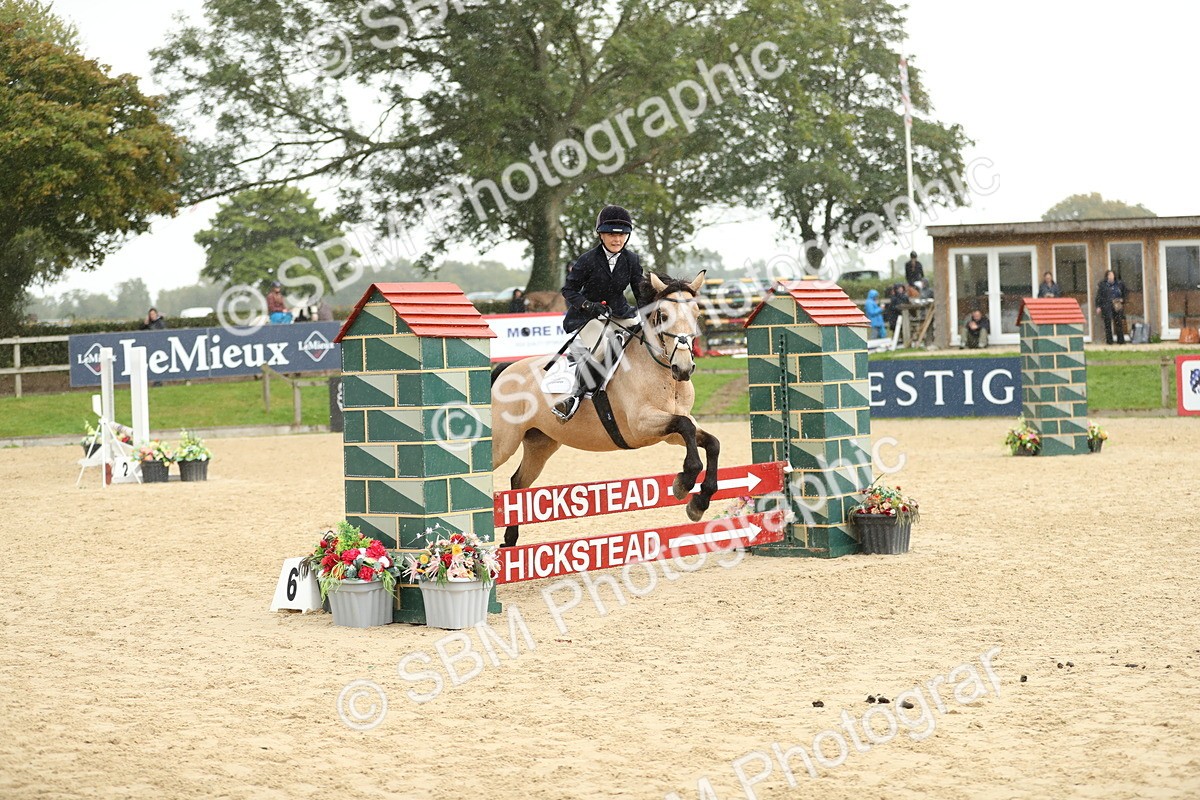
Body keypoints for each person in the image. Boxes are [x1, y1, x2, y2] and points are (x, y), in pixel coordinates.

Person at [551, 205, 644, 420]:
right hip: (588, 317)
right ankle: (575, 397)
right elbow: (568, 290)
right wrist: (587, 305)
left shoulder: (632, 260)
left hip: (619, 313)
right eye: (612, 234)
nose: (617, 239)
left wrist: (647, 315)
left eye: (622, 235)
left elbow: (640, 293)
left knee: (643, 342)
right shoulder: (587, 260)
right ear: (601, 234)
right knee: (603, 347)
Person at [1096, 269, 1127, 344]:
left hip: (1117, 304)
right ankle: (1109, 341)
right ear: (1107, 276)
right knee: (1108, 323)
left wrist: (1123, 299)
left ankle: (1121, 341)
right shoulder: (1103, 285)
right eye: (1109, 275)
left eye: (1112, 275)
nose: (1111, 276)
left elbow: (1125, 293)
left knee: (1119, 323)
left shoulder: (1119, 284)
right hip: (1107, 305)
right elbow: (1099, 296)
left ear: (1114, 276)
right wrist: (1098, 306)